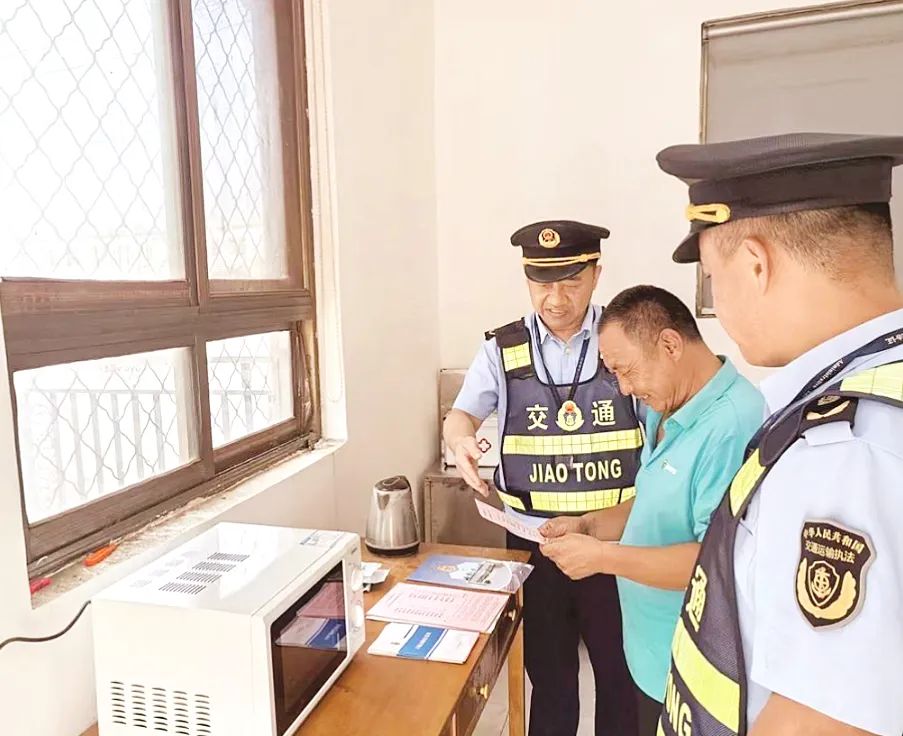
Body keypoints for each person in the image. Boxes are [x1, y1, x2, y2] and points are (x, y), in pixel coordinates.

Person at [651, 132, 903, 736]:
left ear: (755, 264)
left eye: (713, 277)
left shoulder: (842, 450)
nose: (718, 304)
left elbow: (823, 719)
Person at [443, 220, 643, 735]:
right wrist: (460, 441)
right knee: (550, 677)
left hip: (614, 539)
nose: (555, 299)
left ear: (596, 274)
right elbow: (460, 416)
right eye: (542, 283)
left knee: (620, 675)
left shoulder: (623, 340)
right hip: (535, 544)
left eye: (571, 282)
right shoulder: (502, 349)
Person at [540, 285, 763, 735]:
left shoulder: (732, 424)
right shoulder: (666, 408)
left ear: (670, 345)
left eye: (627, 371)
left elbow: (715, 562)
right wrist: (589, 525)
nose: (625, 388)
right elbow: (651, 498)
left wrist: (603, 558)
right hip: (649, 651)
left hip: (692, 662)